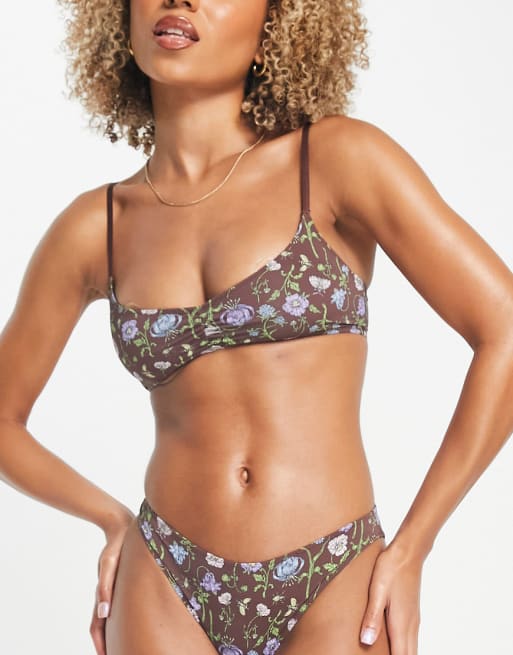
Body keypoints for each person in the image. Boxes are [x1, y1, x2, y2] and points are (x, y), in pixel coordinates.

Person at [0, 1, 512, 654]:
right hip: (166, 579)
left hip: (334, 571)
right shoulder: (97, 225)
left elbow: (503, 327)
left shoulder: (335, 162)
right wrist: (110, 518)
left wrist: (413, 546)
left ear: (278, 25)